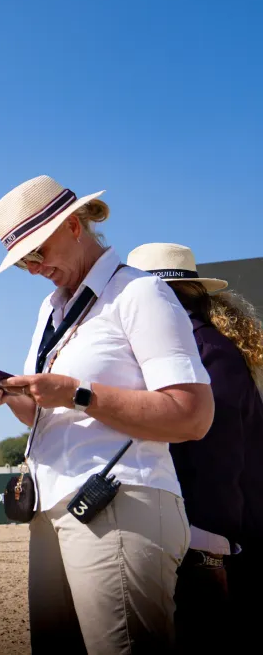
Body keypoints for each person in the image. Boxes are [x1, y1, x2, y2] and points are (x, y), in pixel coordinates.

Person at [0, 175, 214, 655]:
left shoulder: (139, 294)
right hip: (54, 508)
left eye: (37, 252)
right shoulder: (51, 310)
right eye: (23, 262)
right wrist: (12, 399)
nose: (35, 268)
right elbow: (53, 417)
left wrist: (78, 393)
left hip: (120, 503)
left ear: (74, 226)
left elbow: (192, 415)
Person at [126, 242, 263, 654]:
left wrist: (209, 550)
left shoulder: (205, 353)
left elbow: (217, 461)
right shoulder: (202, 347)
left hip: (214, 547)